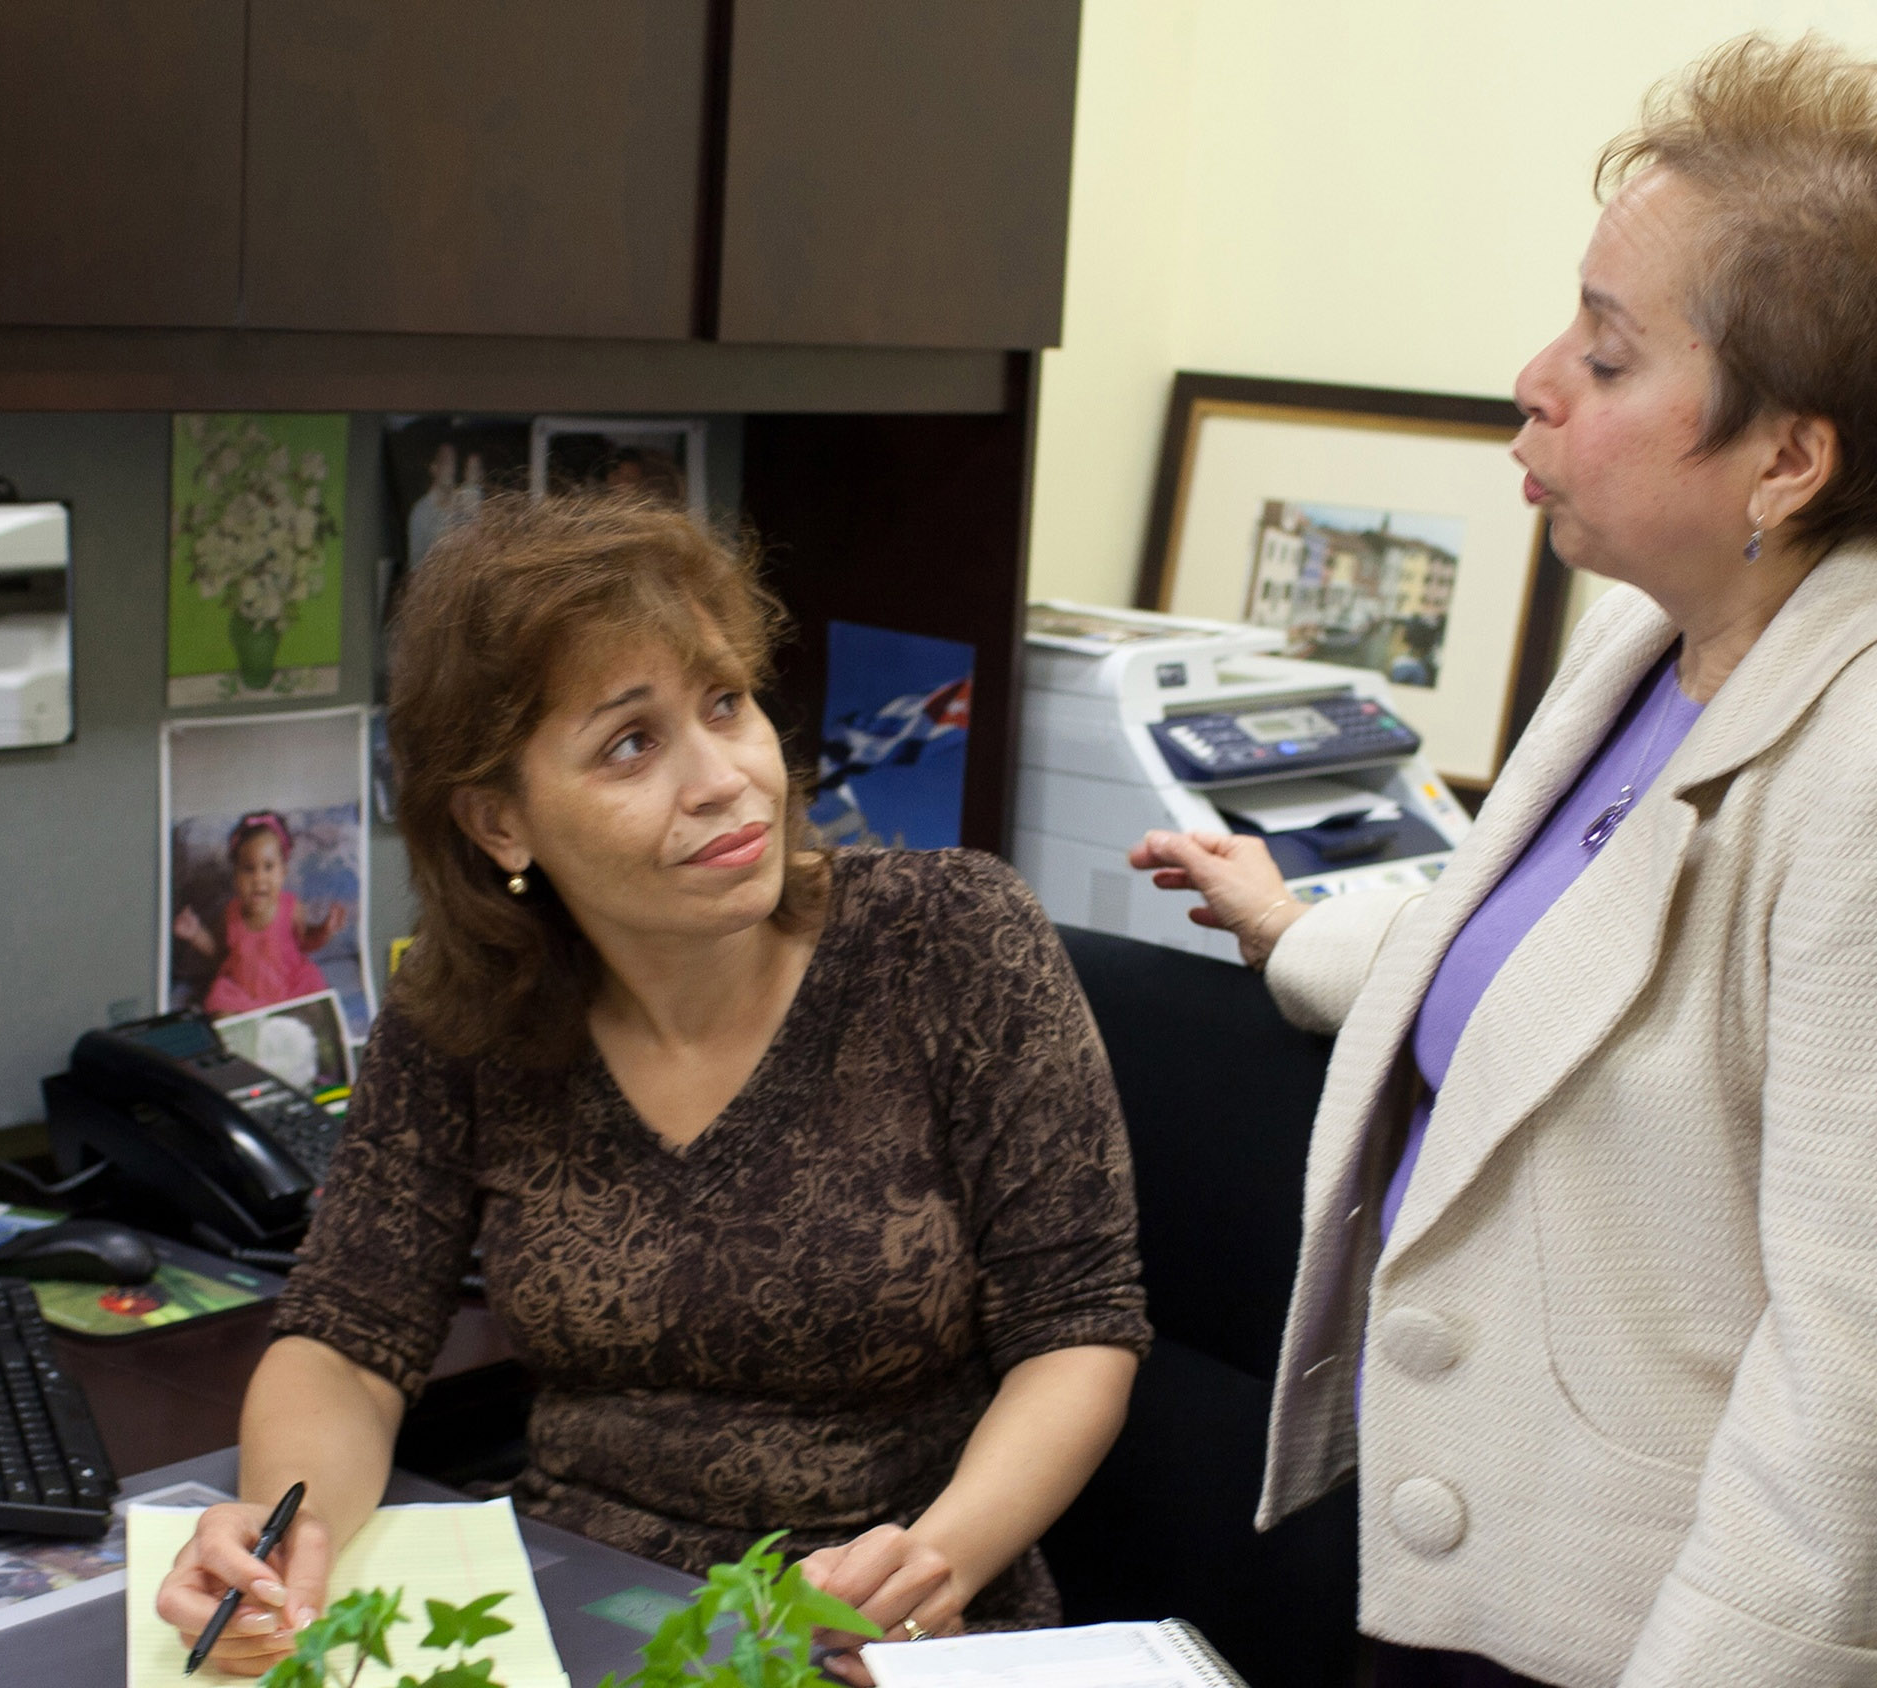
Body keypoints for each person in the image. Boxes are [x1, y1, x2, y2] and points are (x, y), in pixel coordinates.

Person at [1136, 35, 1877, 1688]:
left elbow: (1875, 1395)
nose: (1536, 376)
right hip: (1484, 1565)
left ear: (1788, 460)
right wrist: (1292, 922)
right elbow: (1567, 959)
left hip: (1679, 1633)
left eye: (1608, 349)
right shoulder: (1661, 628)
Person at [154, 494, 1148, 1685]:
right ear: (499, 819)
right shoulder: (468, 1017)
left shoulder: (950, 937)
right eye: (632, 743)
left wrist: (939, 1556)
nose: (726, 778)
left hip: (892, 1626)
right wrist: (283, 1536)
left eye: (726, 704)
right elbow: (344, 1342)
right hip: (575, 1608)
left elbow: (1080, 1327)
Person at [172, 812, 348, 1016]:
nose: (259, 878)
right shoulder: (230, 914)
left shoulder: (291, 907)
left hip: (288, 985)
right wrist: (195, 934)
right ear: (236, 876)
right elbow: (220, 953)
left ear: (283, 872)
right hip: (243, 990)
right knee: (219, 1008)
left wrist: (324, 930)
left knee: (318, 1005)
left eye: (268, 867)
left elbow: (306, 942)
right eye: (248, 869)